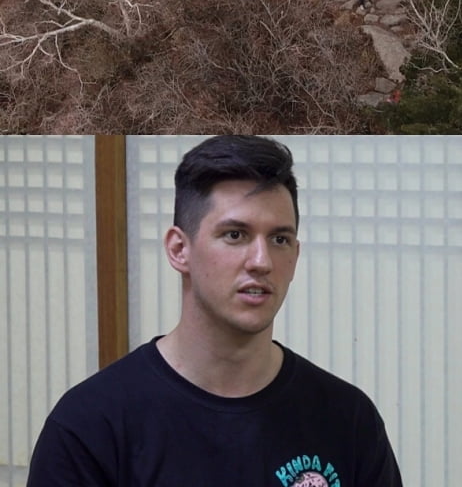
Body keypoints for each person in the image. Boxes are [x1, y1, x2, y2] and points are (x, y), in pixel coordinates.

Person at [27, 135, 403, 487]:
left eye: (279, 239)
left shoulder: (348, 419)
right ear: (179, 249)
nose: (261, 261)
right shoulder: (89, 426)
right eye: (235, 235)